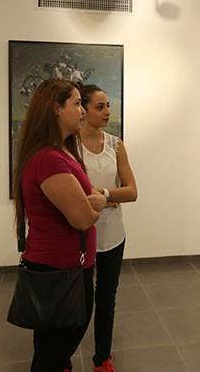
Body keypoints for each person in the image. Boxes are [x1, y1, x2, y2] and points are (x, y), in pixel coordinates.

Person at [12, 78, 106, 372]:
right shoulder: (49, 159)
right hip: (60, 273)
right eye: (77, 104)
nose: (82, 111)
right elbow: (82, 217)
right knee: (53, 354)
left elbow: (81, 196)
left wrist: (90, 199)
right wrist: (98, 205)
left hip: (64, 269)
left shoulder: (60, 151)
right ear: (56, 108)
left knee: (51, 352)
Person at [79, 84, 138, 372]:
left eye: (108, 106)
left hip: (113, 235)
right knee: (79, 301)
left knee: (106, 298)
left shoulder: (116, 145)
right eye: (99, 107)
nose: (107, 112)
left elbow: (132, 191)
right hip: (80, 235)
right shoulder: (69, 145)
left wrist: (104, 195)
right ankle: (62, 357)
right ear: (84, 110)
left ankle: (102, 358)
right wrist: (110, 199)